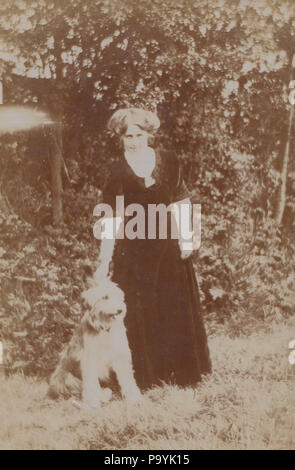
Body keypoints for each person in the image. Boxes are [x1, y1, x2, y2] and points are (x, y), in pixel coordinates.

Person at [94, 107, 211, 391]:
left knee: (173, 307)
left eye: (138, 134)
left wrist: (187, 240)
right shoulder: (117, 170)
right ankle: (145, 379)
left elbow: (180, 200)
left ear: (149, 134)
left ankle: (181, 375)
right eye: (127, 136)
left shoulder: (169, 161)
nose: (133, 141)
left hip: (168, 248)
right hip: (133, 253)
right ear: (120, 138)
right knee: (139, 313)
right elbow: (111, 215)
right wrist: (105, 257)